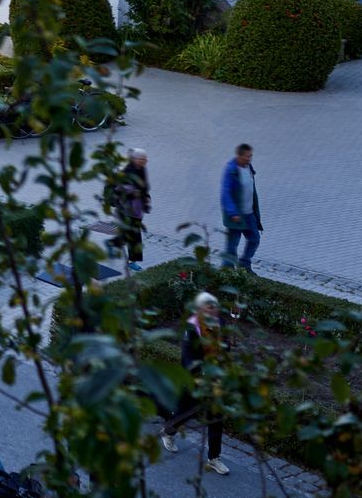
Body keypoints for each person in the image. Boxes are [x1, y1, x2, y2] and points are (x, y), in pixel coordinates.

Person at [159, 292, 230, 476]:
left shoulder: (220, 323)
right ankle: (168, 431)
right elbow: (188, 358)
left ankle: (214, 458)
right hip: (194, 379)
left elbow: (226, 346)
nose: (213, 311)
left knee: (216, 416)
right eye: (208, 307)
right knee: (187, 411)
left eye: (214, 307)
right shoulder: (191, 327)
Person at [104, 148, 151, 272]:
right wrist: (132, 192)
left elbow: (144, 187)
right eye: (142, 159)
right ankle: (131, 261)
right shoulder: (126, 171)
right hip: (126, 209)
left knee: (131, 234)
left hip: (138, 208)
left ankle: (114, 244)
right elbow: (118, 189)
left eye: (145, 159)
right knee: (133, 235)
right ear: (135, 159)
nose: (146, 161)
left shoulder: (141, 169)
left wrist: (146, 198)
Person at [220, 143, 263, 271]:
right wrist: (233, 213)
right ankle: (227, 270)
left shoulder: (249, 167)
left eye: (250, 156)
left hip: (249, 214)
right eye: (246, 156)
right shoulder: (231, 170)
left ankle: (244, 263)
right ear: (239, 156)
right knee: (232, 245)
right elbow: (225, 193)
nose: (249, 159)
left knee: (254, 239)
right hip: (236, 216)